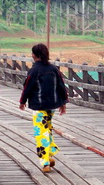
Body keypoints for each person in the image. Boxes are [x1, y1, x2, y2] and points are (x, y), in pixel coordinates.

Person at [19, 43, 68, 173]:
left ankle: (45, 163)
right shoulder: (53, 69)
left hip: (39, 107)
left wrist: (22, 101)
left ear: (34, 55)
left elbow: (27, 87)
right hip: (51, 106)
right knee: (47, 129)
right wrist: (63, 103)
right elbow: (61, 86)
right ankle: (50, 154)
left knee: (40, 134)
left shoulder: (34, 70)